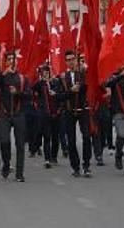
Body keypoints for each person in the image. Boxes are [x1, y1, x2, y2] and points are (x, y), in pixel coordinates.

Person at [59, 50, 94, 178]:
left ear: (76, 60)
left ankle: (86, 165)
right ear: (65, 62)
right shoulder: (63, 77)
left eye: (73, 59)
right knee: (71, 141)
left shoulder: (83, 73)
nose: (71, 62)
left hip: (83, 109)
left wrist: (84, 78)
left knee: (86, 137)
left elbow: (90, 86)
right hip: (69, 111)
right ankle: (75, 166)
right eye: (68, 60)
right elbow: (59, 96)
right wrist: (70, 90)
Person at [0, 51, 29, 182]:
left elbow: (28, 95)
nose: (12, 61)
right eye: (9, 59)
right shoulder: (2, 77)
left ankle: (19, 173)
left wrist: (17, 92)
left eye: (13, 59)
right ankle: (6, 164)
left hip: (18, 114)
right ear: (6, 62)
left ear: (17, 61)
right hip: (5, 114)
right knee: (4, 141)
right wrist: (2, 74)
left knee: (20, 144)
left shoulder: (23, 78)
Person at [33, 65, 63, 169]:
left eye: (47, 72)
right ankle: (47, 159)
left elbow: (61, 95)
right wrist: (42, 81)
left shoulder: (56, 82)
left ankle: (54, 156)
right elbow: (33, 89)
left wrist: (55, 93)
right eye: (43, 72)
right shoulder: (40, 84)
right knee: (47, 136)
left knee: (55, 137)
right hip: (45, 114)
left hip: (56, 112)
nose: (45, 74)